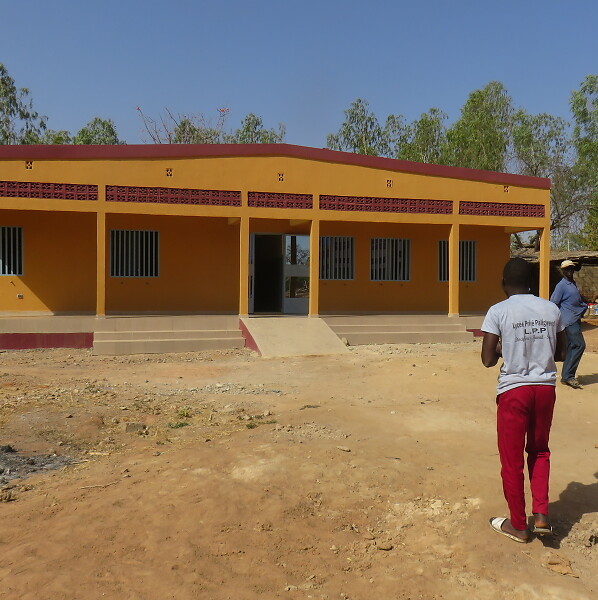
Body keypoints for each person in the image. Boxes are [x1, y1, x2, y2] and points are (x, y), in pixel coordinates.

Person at [481, 258, 565, 543]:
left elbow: (487, 359)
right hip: (545, 389)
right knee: (540, 450)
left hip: (514, 391)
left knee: (512, 459)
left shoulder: (498, 311)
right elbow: (561, 353)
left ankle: (518, 525)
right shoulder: (551, 309)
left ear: (503, 283)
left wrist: (506, 348)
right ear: (531, 283)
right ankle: (541, 515)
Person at [550, 259, 587, 389]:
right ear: (563, 271)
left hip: (575, 318)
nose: (570, 271)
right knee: (579, 345)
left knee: (573, 346)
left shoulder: (572, 283)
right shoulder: (561, 285)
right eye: (567, 269)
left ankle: (567, 375)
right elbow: (553, 302)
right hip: (568, 320)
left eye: (571, 268)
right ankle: (568, 375)